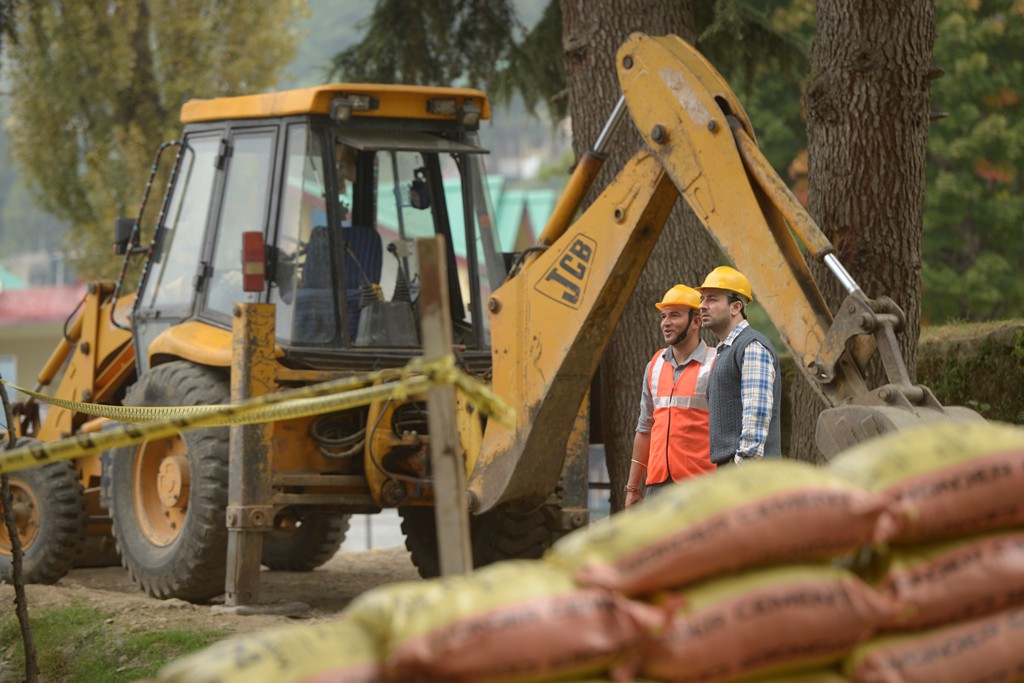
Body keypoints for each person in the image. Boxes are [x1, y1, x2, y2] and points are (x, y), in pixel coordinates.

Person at [624, 285, 717, 508]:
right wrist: (633, 487)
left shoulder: (715, 363)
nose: (666, 322)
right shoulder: (654, 365)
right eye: (663, 316)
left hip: (701, 487)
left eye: (675, 315)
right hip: (657, 487)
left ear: (696, 322)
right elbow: (644, 428)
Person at [697, 266, 782, 467]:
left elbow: (757, 415)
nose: (702, 306)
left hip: (749, 473)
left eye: (712, 299)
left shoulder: (752, 347)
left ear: (735, 307)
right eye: (702, 299)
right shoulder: (727, 350)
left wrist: (741, 469)